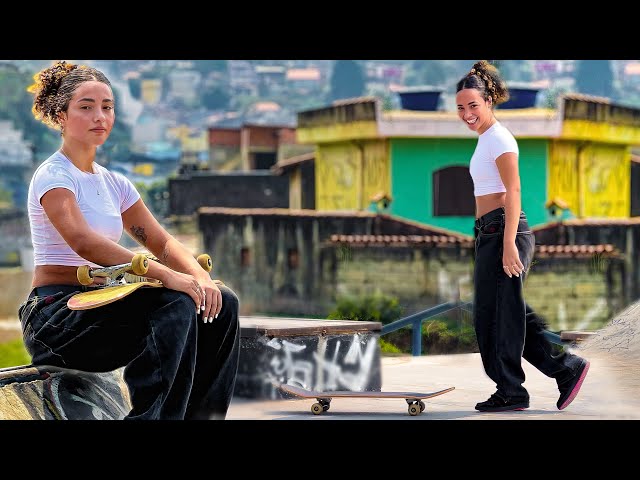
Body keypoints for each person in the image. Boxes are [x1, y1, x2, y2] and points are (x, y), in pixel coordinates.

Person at [18, 60, 240, 420]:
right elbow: (83, 242)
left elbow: (163, 244)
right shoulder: (54, 176)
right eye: (86, 107)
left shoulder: (114, 184)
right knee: (171, 301)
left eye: (107, 107)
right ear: (61, 115)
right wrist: (169, 276)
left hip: (103, 309)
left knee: (222, 302)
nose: (99, 117)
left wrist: (198, 280)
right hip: (55, 319)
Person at [456, 60, 590, 412]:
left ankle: (512, 390)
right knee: (506, 313)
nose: (467, 113)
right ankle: (565, 369)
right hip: (490, 233)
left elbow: (513, 191)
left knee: (496, 316)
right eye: (461, 107)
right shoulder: (486, 139)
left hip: (505, 230)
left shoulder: (499, 138)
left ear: (488, 102)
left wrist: (508, 244)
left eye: (473, 105)